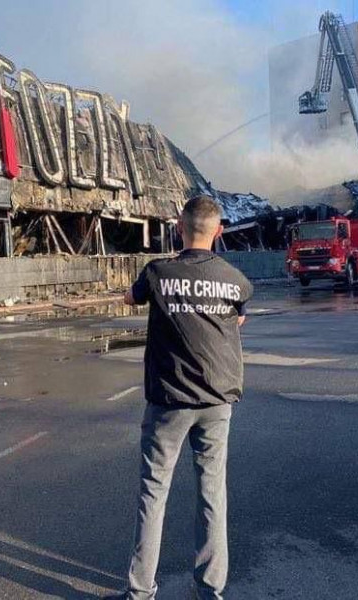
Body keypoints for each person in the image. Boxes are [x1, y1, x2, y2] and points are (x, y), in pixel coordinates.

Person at [107, 195, 253, 600]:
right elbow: (239, 312)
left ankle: (140, 591)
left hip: (169, 402)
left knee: (153, 492)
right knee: (212, 491)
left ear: (178, 229)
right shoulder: (233, 278)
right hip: (217, 401)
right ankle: (209, 590)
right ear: (219, 232)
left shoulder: (158, 272)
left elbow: (130, 298)